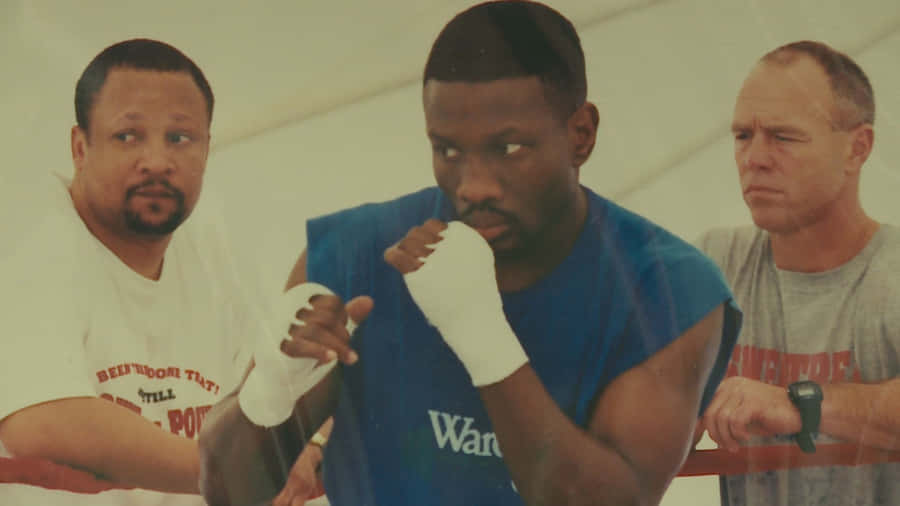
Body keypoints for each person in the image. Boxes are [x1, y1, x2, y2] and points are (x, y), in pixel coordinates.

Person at [198, 2, 742, 505]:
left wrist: (484, 339)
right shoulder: (357, 255)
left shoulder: (669, 289)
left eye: (508, 148)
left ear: (581, 133)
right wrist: (267, 395)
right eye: (448, 150)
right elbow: (228, 490)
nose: (474, 185)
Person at [0, 38, 322, 506]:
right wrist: (230, 472)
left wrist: (309, 439)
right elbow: (44, 420)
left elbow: (260, 402)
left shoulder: (211, 251)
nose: (157, 161)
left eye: (179, 138)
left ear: (207, 149)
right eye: (128, 136)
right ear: (79, 147)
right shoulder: (27, 244)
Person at [695, 40, 900, 505]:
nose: (755, 158)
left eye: (783, 137)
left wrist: (797, 403)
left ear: (857, 148)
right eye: (743, 135)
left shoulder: (893, 272)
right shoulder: (713, 262)